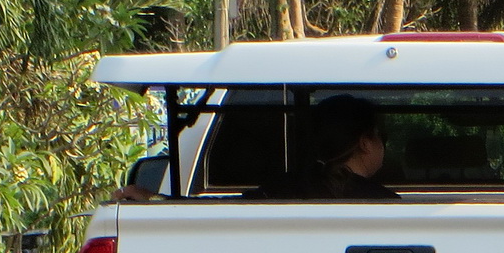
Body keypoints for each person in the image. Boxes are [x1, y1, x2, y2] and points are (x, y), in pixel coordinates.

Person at [112, 93, 397, 202]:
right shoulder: (387, 205)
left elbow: (219, 211)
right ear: (364, 142)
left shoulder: (280, 190)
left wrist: (155, 200)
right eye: (381, 135)